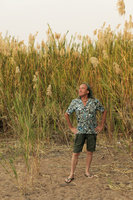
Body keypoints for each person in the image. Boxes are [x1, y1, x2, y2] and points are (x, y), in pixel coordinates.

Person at [64, 83, 107, 183]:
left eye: (82, 88)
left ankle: (87, 171)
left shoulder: (94, 102)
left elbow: (103, 111)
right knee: (76, 153)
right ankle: (71, 174)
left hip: (92, 131)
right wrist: (71, 127)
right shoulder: (75, 102)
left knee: (90, 151)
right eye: (79, 88)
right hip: (80, 131)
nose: (80, 90)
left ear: (87, 91)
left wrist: (101, 125)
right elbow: (67, 114)